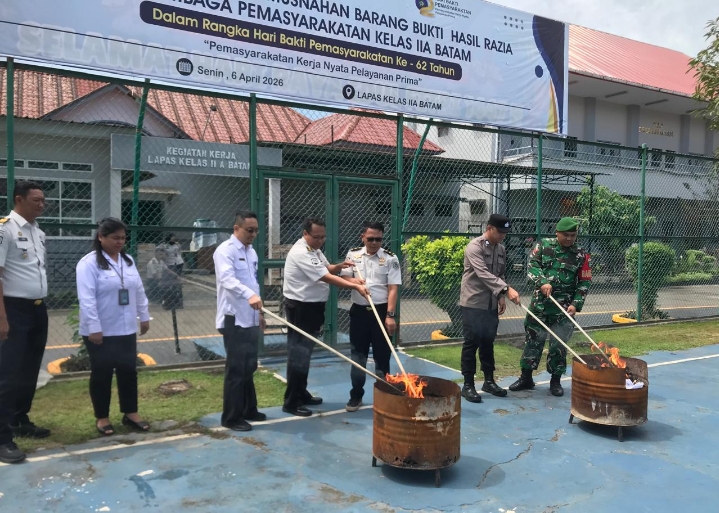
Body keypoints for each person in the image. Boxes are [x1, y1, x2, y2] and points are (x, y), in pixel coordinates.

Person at [282, 217, 369, 417]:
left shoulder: (314, 250)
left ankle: (301, 392)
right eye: (316, 237)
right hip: (301, 308)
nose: (320, 241)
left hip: (313, 308)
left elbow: (326, 269)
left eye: (323, 237)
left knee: (305, 353)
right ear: (305, 233)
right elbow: (325, 277)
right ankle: (291, 402)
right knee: (298, 355)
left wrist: (339, 266)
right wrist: (354, 285)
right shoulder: (301, 252)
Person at [76, 218, 152, 436]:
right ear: (101, 237)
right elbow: (86, 298)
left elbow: (138, 290)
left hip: (125, 327)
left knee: (128, 370)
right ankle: (102, 417)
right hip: (101, 329)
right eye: (115, 238)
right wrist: (94, 327)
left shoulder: (128, 261)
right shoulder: (88, 264)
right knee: (102, 373)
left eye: (123, 238)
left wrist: (144, 316)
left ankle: (131, 413)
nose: (120, 242)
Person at [509, 217, 592, 397]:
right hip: (540, 305)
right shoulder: (543, 246)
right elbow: (532, 266)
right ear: (557, 233)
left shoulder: (581, 254)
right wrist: (542, 282)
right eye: (566, 235)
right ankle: (526, 378)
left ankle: (555, 381)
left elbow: (584, 281)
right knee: (533, 341)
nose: (569, 238)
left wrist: (576, 304)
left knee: (558, 346)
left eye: (573, 235)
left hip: (564, 309)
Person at [0, 181, 51, 464]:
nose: (42, 205)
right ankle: (2, 437)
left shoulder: (38, 232)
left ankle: (20, 419)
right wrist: (2, 317)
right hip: (13, 308)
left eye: (43, 200)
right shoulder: (4, 229)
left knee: (29, 368)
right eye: (36, 200)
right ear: (19, 200)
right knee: (7, 373)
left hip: (37, 308)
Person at [458, 214, 521, 403]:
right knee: (471, 343)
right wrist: (506, 289)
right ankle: (468, 385)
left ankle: (489, 381)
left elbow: (500, 274)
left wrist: (500, 296)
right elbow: (483, 273)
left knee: (488, 342)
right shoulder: (474, 247)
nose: (502, 235)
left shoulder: (501, 249)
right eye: (500, 232)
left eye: (505, 232)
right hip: (474, 303)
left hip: (491, 304)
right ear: (489, 228)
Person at [213, 210, 266, 432]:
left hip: (251, 317)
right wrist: (249, 295)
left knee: (249, 366)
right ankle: (231, 417)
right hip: (234, 318)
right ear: (236, 228)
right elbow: (227, 279)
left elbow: (253, 283)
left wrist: (259, 313)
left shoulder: (251, 252)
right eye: (249, 230)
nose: (253, 234)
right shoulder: (225, 251)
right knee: (236, 369)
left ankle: (248, 409)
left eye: (256, 231)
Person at [340, 221, 401, 412]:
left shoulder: (390, 258)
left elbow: (393, 288)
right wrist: (355, 282)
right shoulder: (353, 254)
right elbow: (344, 277)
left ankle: (384, 397)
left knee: (382, 357)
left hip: (381, 312)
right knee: (358, 356)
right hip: (359, 312)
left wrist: (390, 315)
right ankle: (356, 396)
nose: (374, 243)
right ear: (363, 238)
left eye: (378, 239)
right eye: (371, 239)